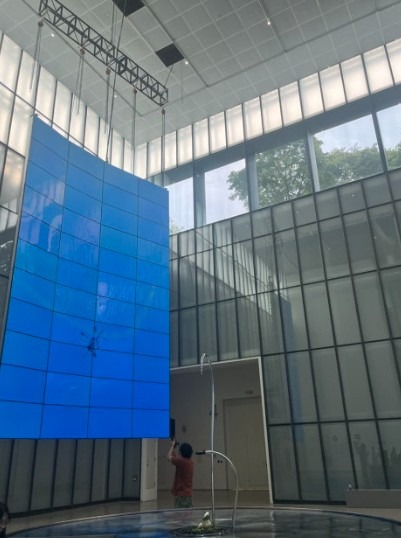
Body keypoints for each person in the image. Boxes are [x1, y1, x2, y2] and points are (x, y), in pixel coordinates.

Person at [167, 439, 194, 508]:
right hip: (188, 493)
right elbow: (176, 459)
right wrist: (174, 448)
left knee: (180, 513)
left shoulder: (181, 461)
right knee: (188, 512)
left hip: (181, 494)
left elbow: (169, 457)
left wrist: (172, 446)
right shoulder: (190, 461)